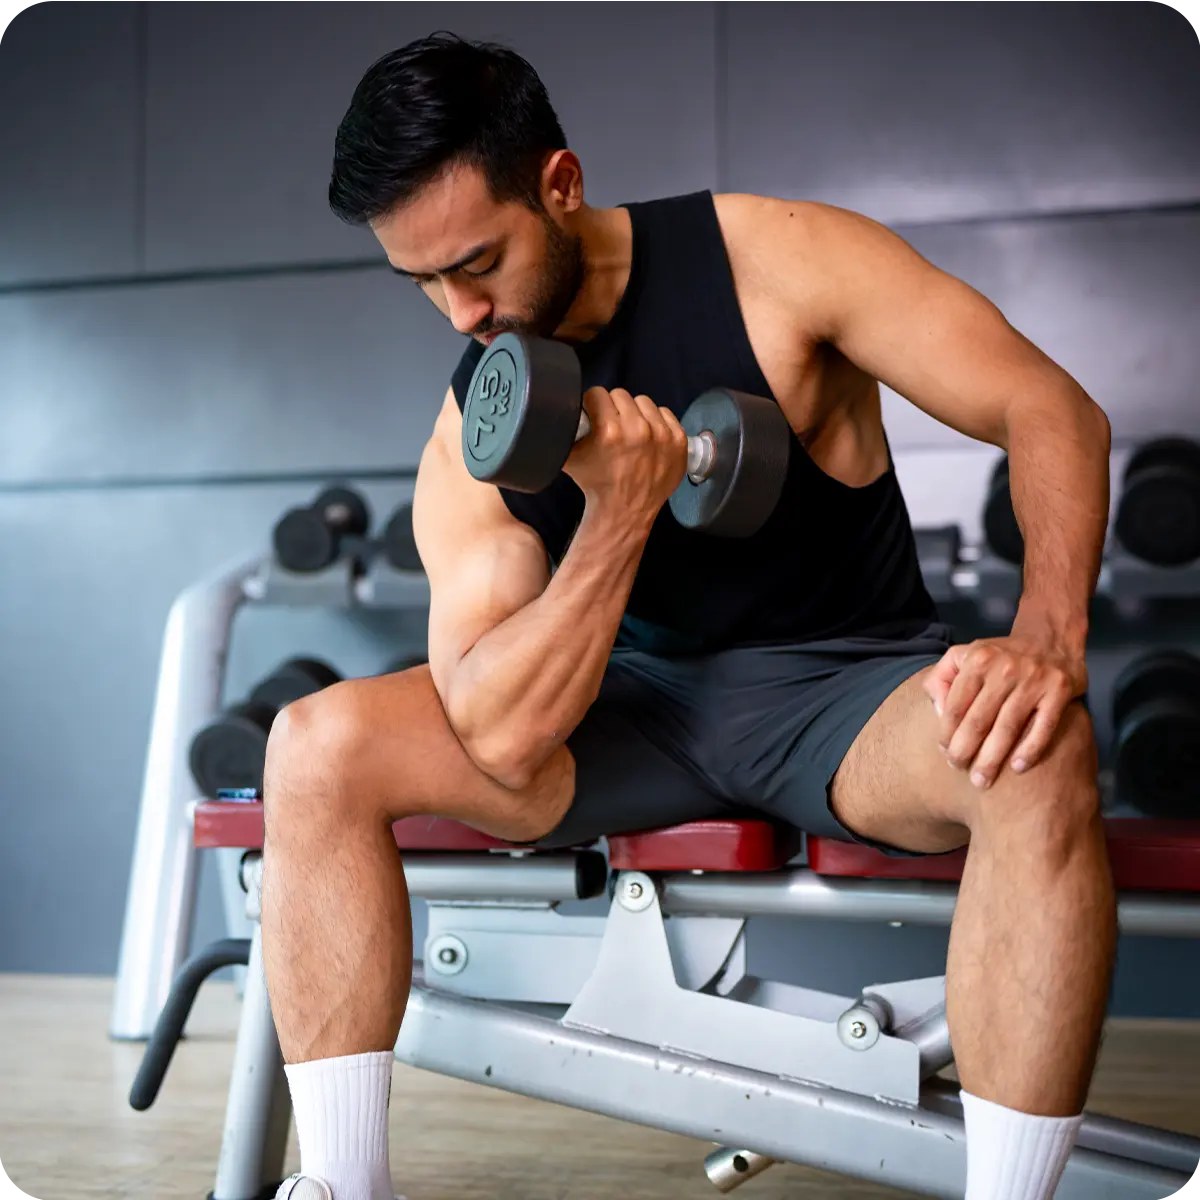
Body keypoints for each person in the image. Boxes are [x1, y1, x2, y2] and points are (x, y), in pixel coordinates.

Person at [264, 31, 1115, 1200]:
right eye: (424, 284)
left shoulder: (784, 260)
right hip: (630, 708)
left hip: (845, 696)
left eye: (478, 262)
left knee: (1033, 749)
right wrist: (618, 514)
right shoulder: (471, 434)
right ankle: (341, 1187)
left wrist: (1047, 640)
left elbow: (1049, 409)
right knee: (315, 746)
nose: (462, 315)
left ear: (558, 186)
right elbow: (502, 733)